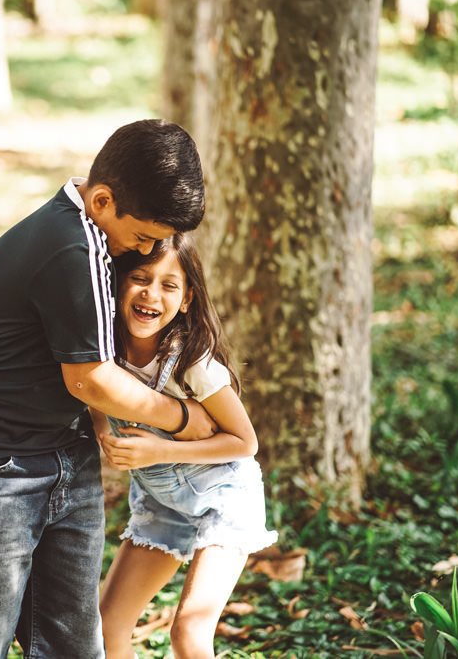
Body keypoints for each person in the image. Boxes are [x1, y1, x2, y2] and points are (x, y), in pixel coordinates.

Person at [0, 119, 213, 657]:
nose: (146, 249)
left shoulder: (99, 235)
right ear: (102, 200)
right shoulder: (71, 245)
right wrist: (185, 419)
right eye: (143, 236)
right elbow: (90, 377)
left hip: (64, 451)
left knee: (72, 645)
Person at [93, 232, 277, 659]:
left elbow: (244, 442)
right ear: (118, 283)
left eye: (168, 285)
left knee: (189, 633)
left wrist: (161, 451)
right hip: (162, 503)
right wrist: (104, 431)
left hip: (224, 498)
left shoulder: (193, 362)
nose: (151, 294)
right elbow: (93, 394)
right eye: (140, 278)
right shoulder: (103, 350)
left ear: (187, 299)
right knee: (107, 625)